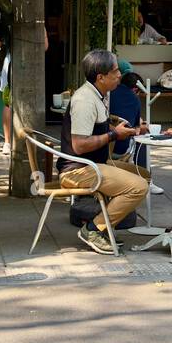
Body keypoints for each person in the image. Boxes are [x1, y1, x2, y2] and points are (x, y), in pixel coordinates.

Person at [57, 50, 149, 255]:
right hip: (78, 170)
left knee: (143, 174)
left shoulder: (98, 95)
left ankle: (106, 223)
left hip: (95, 163)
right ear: (101, 77)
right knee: (139, 187)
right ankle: (94, 229)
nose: (119, 76)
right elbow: (80, 145)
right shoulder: (85, 100)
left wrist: (132, 128)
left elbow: (99, 126)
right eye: (115, 71)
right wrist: (114, 135)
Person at [110, 61, 147, 165]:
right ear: (135, 89)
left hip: (104, 144)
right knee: (143, 137)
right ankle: (144, 174)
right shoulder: (134, 99)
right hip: (119, 148)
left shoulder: (108, 93)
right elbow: (137, 127)